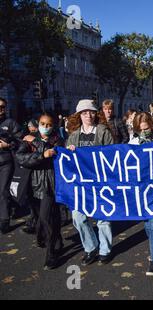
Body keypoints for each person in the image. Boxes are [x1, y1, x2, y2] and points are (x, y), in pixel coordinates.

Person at [66, 100, 114, 266]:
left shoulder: (103, 132)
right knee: (78, 217)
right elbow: (67, 163)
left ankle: (105, 250)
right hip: (81, 184)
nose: (88, 115)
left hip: (101, 182)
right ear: (79, 115)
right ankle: (90, 247)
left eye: (91, 112)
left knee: (103, 218)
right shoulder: (73, 136)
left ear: (96, 113)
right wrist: (69, 153)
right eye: (84, 113)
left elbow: (112, 155)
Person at [16, 112, 65, 269]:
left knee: (46, 218)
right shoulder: (29, 140)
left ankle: (51, 255)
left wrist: (40, 146)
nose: (46, 127)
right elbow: (21, 158)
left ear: (54, 126)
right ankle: (56, 240)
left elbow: (61, 155)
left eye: (49, 124)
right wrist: (41, 152)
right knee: (42, 218)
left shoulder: (58, 140)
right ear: (38, 124)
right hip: (32, 185)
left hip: (50, 185)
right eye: (43, 124)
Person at [129, 112, 153, 276]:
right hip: (140, 189)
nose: (144, 132)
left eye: (146, 128)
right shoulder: (133, 142)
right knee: (147, 224)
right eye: (140, 129)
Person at [0, 97, 23, 234]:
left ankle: (4, 220)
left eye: (3, 107)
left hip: (5, 161)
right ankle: (14, 207)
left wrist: (7, 145)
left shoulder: (11, 123)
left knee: (3, 191)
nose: (1, 109)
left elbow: (21, 141)